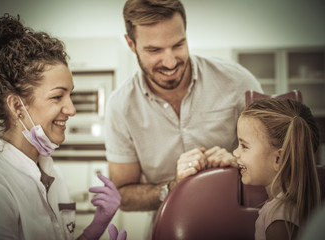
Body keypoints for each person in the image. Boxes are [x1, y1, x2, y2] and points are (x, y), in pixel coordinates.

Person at [104, 0, 262, 237]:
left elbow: (282, 165)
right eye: (154, 50)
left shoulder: (239, 83)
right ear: (131, 44)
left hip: (243, 228)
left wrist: (239, 165)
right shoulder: (120, 107)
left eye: (178, 44)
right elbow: (123, 195)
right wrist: (172, 187)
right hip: (169, 230)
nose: (170, 62)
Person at [0, 14, 126, 240]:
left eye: (70, 95)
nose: (71, 109)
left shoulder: (52, 175)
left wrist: (96, 227)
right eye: (57, 97)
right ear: (16, 105)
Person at [233, 98, 321, 240]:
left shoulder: (280, 218)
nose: (235, 153)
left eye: (244, 146)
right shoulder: (284, 209)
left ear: (279, 159)